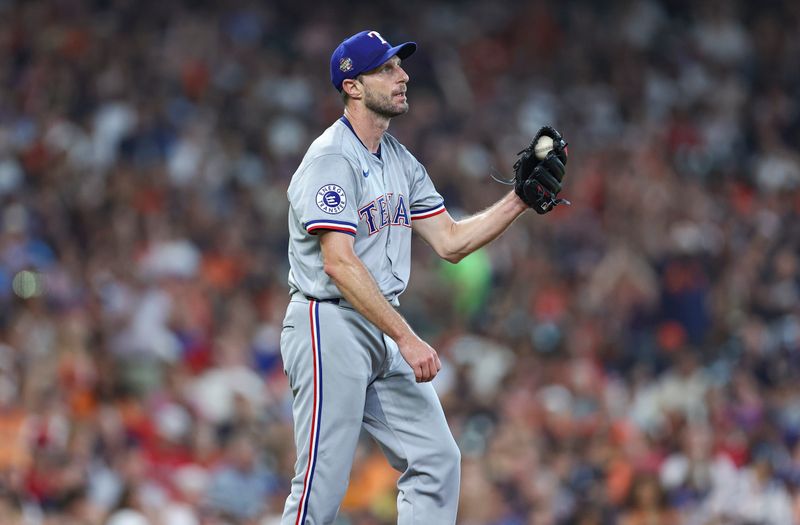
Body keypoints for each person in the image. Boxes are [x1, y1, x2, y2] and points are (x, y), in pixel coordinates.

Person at [280, 29, 567, 525]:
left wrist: (518, 201)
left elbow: (451, 241)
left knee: (436, 460)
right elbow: (339, 263)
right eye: (387, 68)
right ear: (352, 85)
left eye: (399, 66)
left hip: (378, 322)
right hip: (327, 322)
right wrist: (408, 338)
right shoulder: (331, 158)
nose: (403, 75)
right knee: (322, 481)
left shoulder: (399, 160)